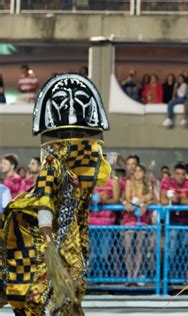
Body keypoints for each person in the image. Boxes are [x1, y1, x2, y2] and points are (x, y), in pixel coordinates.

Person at [1, 73, 111, 314]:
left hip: (70, 236)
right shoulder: (53, 164)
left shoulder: (80, 169)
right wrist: (47, 232)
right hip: (48, 239)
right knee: (42, 286)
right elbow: (44, 198)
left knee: (74, 281)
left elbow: (93, 184)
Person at [122, 164, 157, 285]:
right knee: (127, 247)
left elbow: (153, 199)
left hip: (142, 218)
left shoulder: (148, 185)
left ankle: (135, 276)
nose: (137, 173)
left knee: (139, 247)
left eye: (140, 171)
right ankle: (129, 275)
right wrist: (143, 199)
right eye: (135, 171)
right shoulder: (129, 183)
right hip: (130, 218)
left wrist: (146, 204)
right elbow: (127, 198)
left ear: (143, 172)